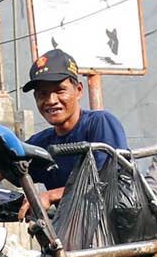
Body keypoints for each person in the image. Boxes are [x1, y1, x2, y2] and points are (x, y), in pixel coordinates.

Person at [22, 47, 128, 203]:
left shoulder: (100, 123)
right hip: (67, 226)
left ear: (78, 91)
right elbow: (5, 168)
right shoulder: (40, 143)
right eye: (42, 94)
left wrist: (51, 195)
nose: (51, 100)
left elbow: (108, 181)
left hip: (112, 224)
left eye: (60, 90)